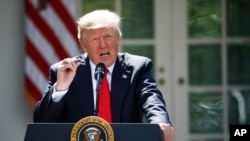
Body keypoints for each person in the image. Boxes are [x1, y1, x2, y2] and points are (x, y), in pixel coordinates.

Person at [33, 9, 175, 141]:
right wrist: (61, 88)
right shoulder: (66, 71)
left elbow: (152, 99)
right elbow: (41, 122)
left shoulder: (137, 67)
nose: (103, 45)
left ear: (118, 38)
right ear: (83, 45)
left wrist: (160, 123)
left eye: (108, 36)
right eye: (95, 39)